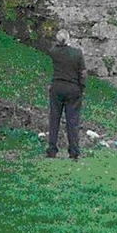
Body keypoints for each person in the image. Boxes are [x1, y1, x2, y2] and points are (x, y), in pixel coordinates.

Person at [46, 29, 86, 161]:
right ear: (68, 39)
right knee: (72, 121)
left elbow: (53, 48)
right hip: (73, 88)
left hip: (57, 87)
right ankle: (73, 151)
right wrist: (82, 87)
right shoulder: (77, 54)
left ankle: (52, 149)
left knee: (54, 119)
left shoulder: (54, 52)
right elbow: (82, 72)